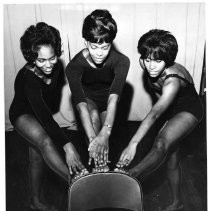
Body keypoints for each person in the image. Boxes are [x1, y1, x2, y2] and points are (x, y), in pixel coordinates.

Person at [117, 29, 203, 211]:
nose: (151, 66)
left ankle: (131, 175)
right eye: (147, 60)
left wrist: (133, 144)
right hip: (167, 109)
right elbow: (159, 108)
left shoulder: (173, 80)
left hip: (188, 110)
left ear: (169, 59)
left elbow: (154, 113)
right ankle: (176, 203)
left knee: (161, 144)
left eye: (158, 61)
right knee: (171, 157)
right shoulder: (145, 61)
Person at [9, 22, 86, 211]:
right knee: (45, 142)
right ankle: (78, 183)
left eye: (51, 58)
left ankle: (35, 202)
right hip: (23, 114)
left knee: (36, 158)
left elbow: (48, 104)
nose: (48, 64)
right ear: (31, 57)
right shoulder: (29, 78)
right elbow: (43, 115)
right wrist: (68, 146)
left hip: (40, 113)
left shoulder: (56, 67)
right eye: (41, 60)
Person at [65, 9, 130, 168]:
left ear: (111, 43)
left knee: (106, 135)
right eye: (94, 47)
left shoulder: (122, 61)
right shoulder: (74, 66)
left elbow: (113, 99)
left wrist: (105, 133)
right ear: (85, 42)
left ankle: (103, 169)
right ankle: (98, 168)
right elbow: (81, 106)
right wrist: (94, 140)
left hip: (109, 99)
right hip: (88, 99)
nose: (99, 53)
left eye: (105, 47)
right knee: (93, 118)